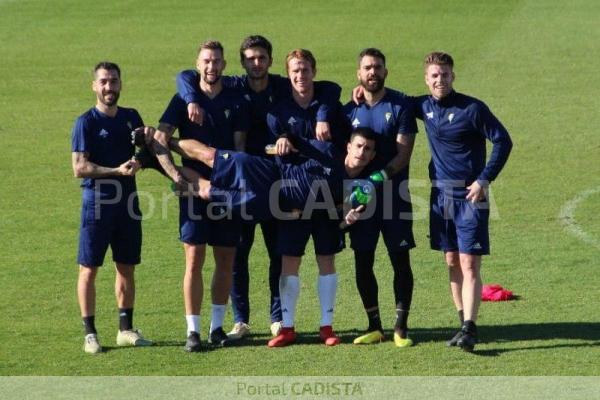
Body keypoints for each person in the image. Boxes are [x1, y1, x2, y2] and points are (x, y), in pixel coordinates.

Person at [176, 35, 342, 340]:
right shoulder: (235, 85)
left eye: (261, 58)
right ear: (241, 62)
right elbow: (186, 75)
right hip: (243, 175)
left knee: (277, 252)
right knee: (238, 253)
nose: (256, 63)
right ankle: (241, 319)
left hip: (276, 181)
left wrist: (320, 115)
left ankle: (277, 318)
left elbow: (329, 88)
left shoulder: (282, 86)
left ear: (270, 60)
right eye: (251, 58)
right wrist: (190, 98)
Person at [151, 40, 250, 352]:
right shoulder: (182, 100)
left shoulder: (236, 100)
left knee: (225, 258)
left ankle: (216, 328)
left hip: (225, 191)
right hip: (193, 192)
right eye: (206, 61)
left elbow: (239, 147)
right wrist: (176, 175)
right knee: (194, 260)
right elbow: (159, 139)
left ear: (224, 65)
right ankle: (192, 331)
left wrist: (234, 184)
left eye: (217, 61)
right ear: (198, 65)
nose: (212, 67)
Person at [414, 52, 512, 352]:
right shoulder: (423, 106)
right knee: (451, 261)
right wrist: (358, 92)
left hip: (470, 196)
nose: (439, 80)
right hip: (440, 196)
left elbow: (503, 140)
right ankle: (462, 324)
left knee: (469, 263)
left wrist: (484, 180)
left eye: (444, 74)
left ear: (452, 76)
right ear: (427, 79)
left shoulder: (472, 108)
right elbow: (388, 99)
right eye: (434, 75)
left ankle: (470, 327)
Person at [265, 49, 346, 348]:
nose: (301, 76)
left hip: (326, 199)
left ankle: (327, 326)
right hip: (292, 202)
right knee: (290, 262)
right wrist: (280, 143)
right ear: (288, 74)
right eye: (295, 71)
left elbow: (340, 146)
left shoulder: (329, 105)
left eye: (306, 70)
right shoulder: (277, 113)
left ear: (314, 71)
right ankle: (287, 327)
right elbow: (269, 153)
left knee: (327, 260)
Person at [71, 62, 153, 354]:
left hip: (128, 204)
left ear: (121, 84)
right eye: (103, 82)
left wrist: (139, 160)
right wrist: (117, 171)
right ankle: (90, 333)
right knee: (89, 268)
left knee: (126, 266)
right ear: (94, 86)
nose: (109, 87)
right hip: (97, 204)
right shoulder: (86, 122)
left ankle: (125, 329)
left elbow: (146, 149)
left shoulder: (131, 117)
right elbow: (80, 168)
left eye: (114, 81)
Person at [343, 48, 418, 347]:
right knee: (363, 260)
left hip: (394, 197)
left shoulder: (400, 106)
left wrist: (375, 179)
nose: (372, 72)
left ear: (386, 71)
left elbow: (403, 155)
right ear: (359, 74)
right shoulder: (349, 110)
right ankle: (374, 326)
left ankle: (401, 327)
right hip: (360, 201)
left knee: (400, 259)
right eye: (366, 68)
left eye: (377, 67)